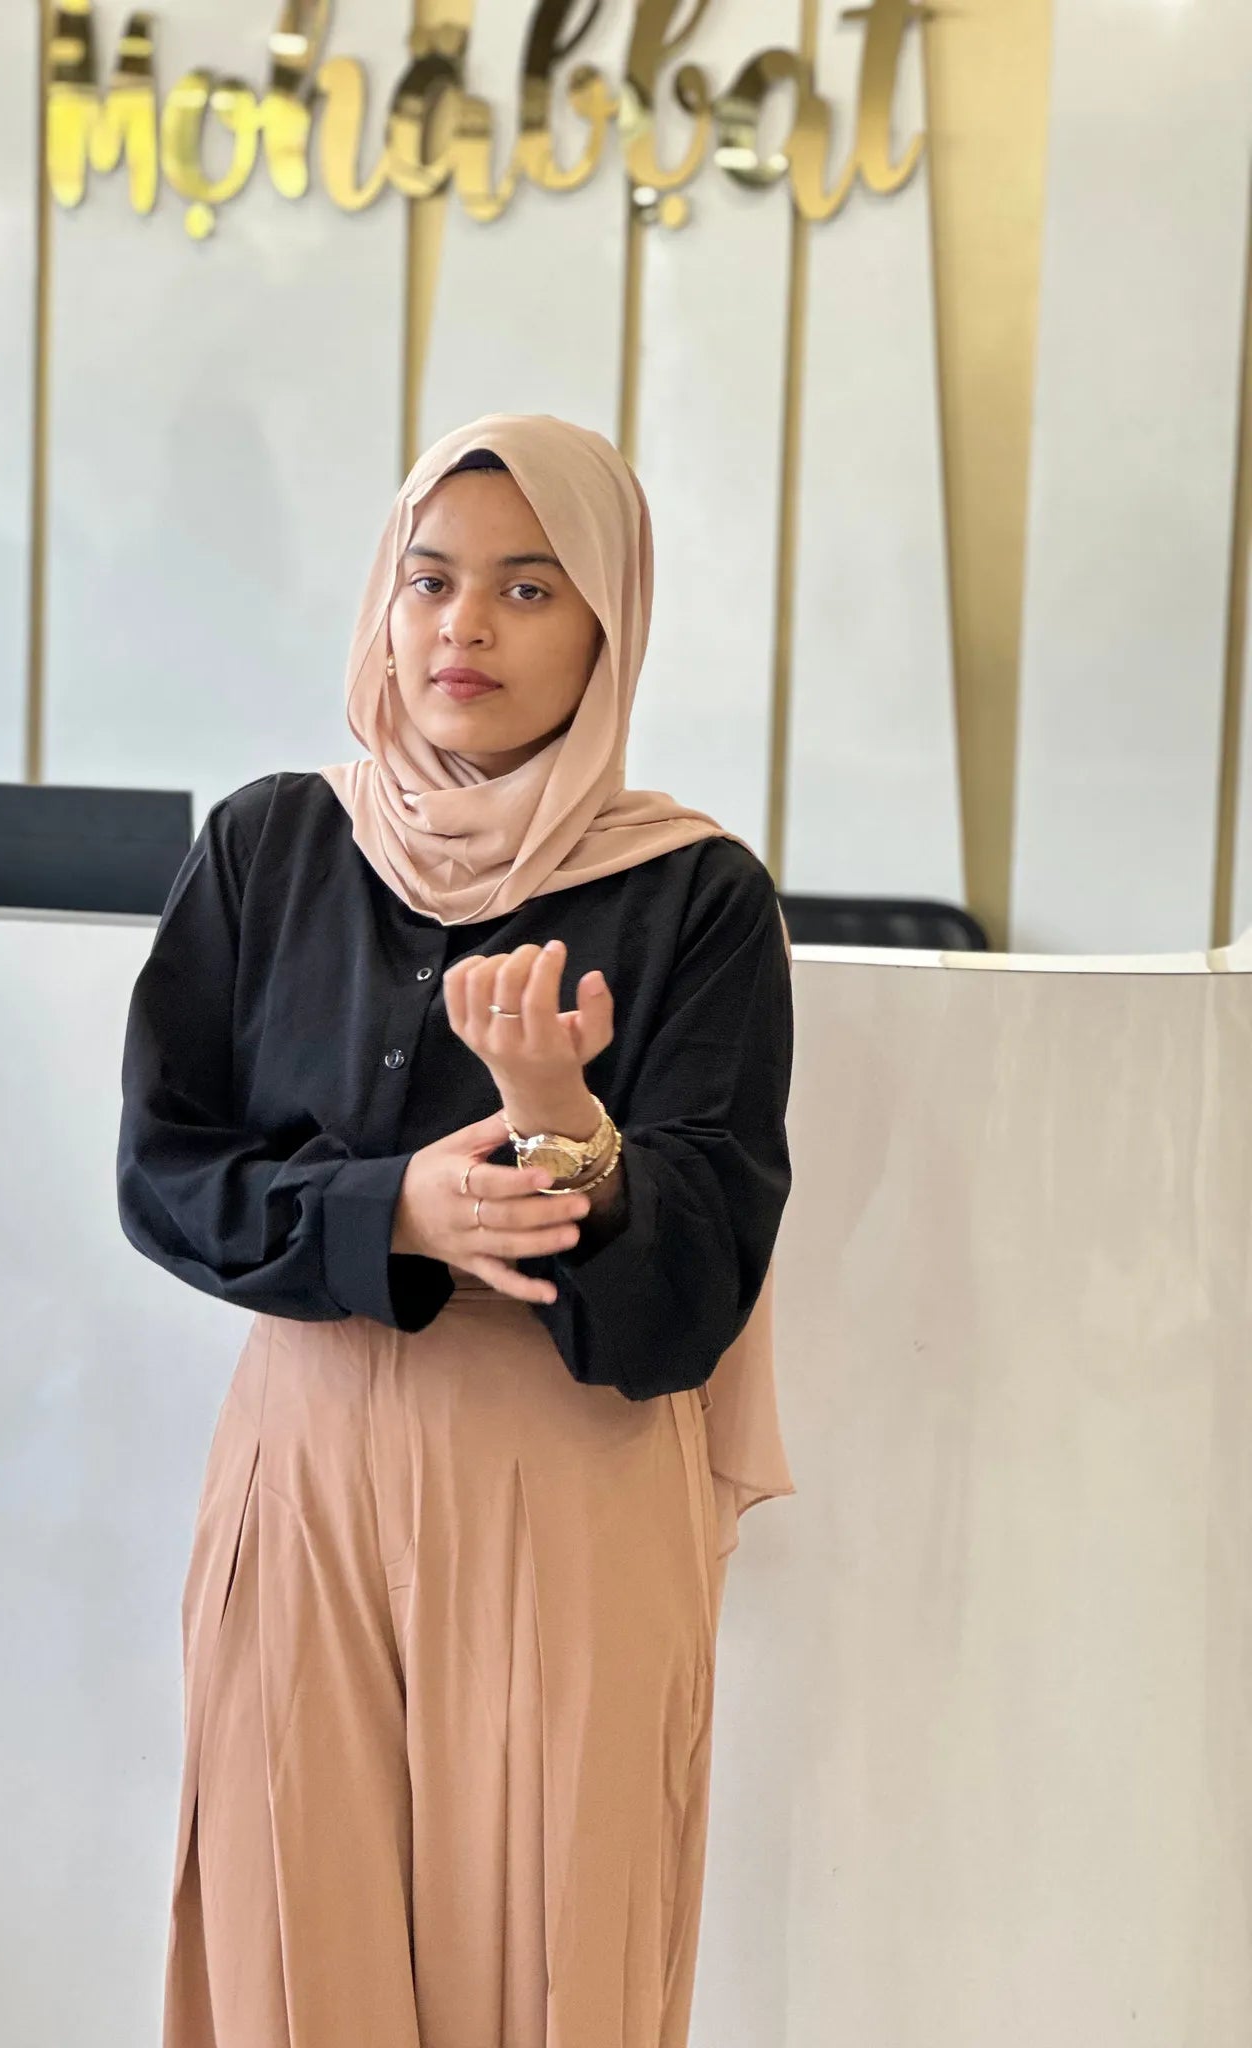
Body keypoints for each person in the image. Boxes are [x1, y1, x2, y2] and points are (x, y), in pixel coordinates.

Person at [116, 413, 796, 2048]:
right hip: (306, 1468)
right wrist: (396, 1208)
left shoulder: (695, 894)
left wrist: (561, 1116)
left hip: (567, 1483)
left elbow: (694, 1292)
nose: (461, 626)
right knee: (297, 1944)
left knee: (546, 1958)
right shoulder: (272, 845)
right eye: (428, 580)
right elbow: (166, 1172)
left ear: (608, 626)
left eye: (527, 588)